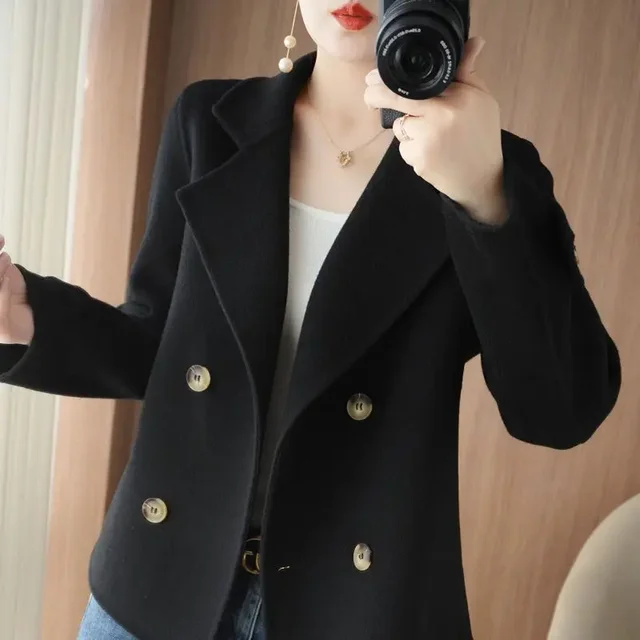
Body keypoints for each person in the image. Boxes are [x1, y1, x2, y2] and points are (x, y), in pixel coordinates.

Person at [0, 0, 621, 638]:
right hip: (157, 588)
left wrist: (484, 194)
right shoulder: (209, 122)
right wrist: (23, 314)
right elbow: (159, 345)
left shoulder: (490, 167)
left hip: (360, 610)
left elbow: (561, 410)